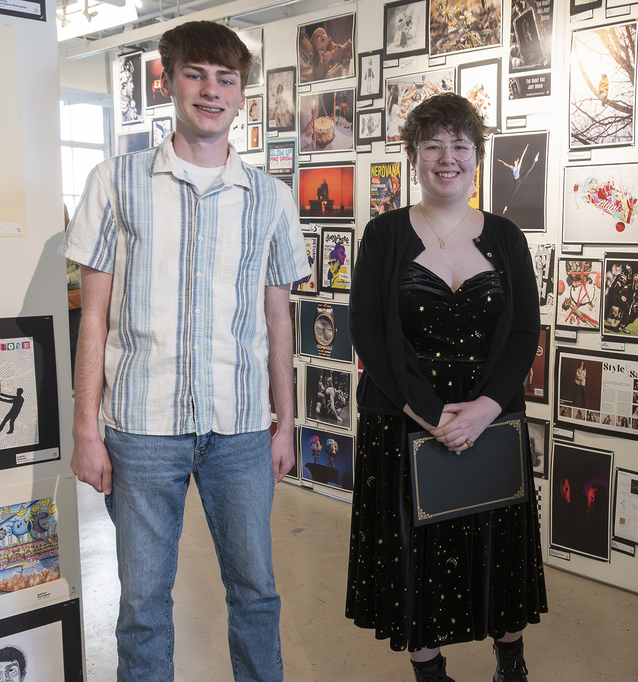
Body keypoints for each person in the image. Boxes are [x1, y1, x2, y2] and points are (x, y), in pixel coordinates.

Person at [60, 21, 309, 682]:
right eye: (195, 74)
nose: (211, 90)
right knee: (143, 605)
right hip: (142, 429)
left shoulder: (272, 199)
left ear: (241, 94)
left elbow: (278, 320)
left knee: (256, 594)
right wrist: (86, 428)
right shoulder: (114, 182)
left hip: (241, 430)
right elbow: (94, 318)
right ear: (167, 81)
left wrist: (287, 422)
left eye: (226, 79)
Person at [346, 92, 546, 682]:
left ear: (478, 156)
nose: (447, 157)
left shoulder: (507, 237)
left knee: (496, 547)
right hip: (404, 420)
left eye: (460, 144)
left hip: (491, 422)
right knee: (415, 553)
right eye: (432, 144)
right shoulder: (383, 235)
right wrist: (431, 415)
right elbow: (369, 332)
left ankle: (511, 664)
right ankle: (429, 671)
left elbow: (524, 331)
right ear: (413, 155)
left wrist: (482, 410)